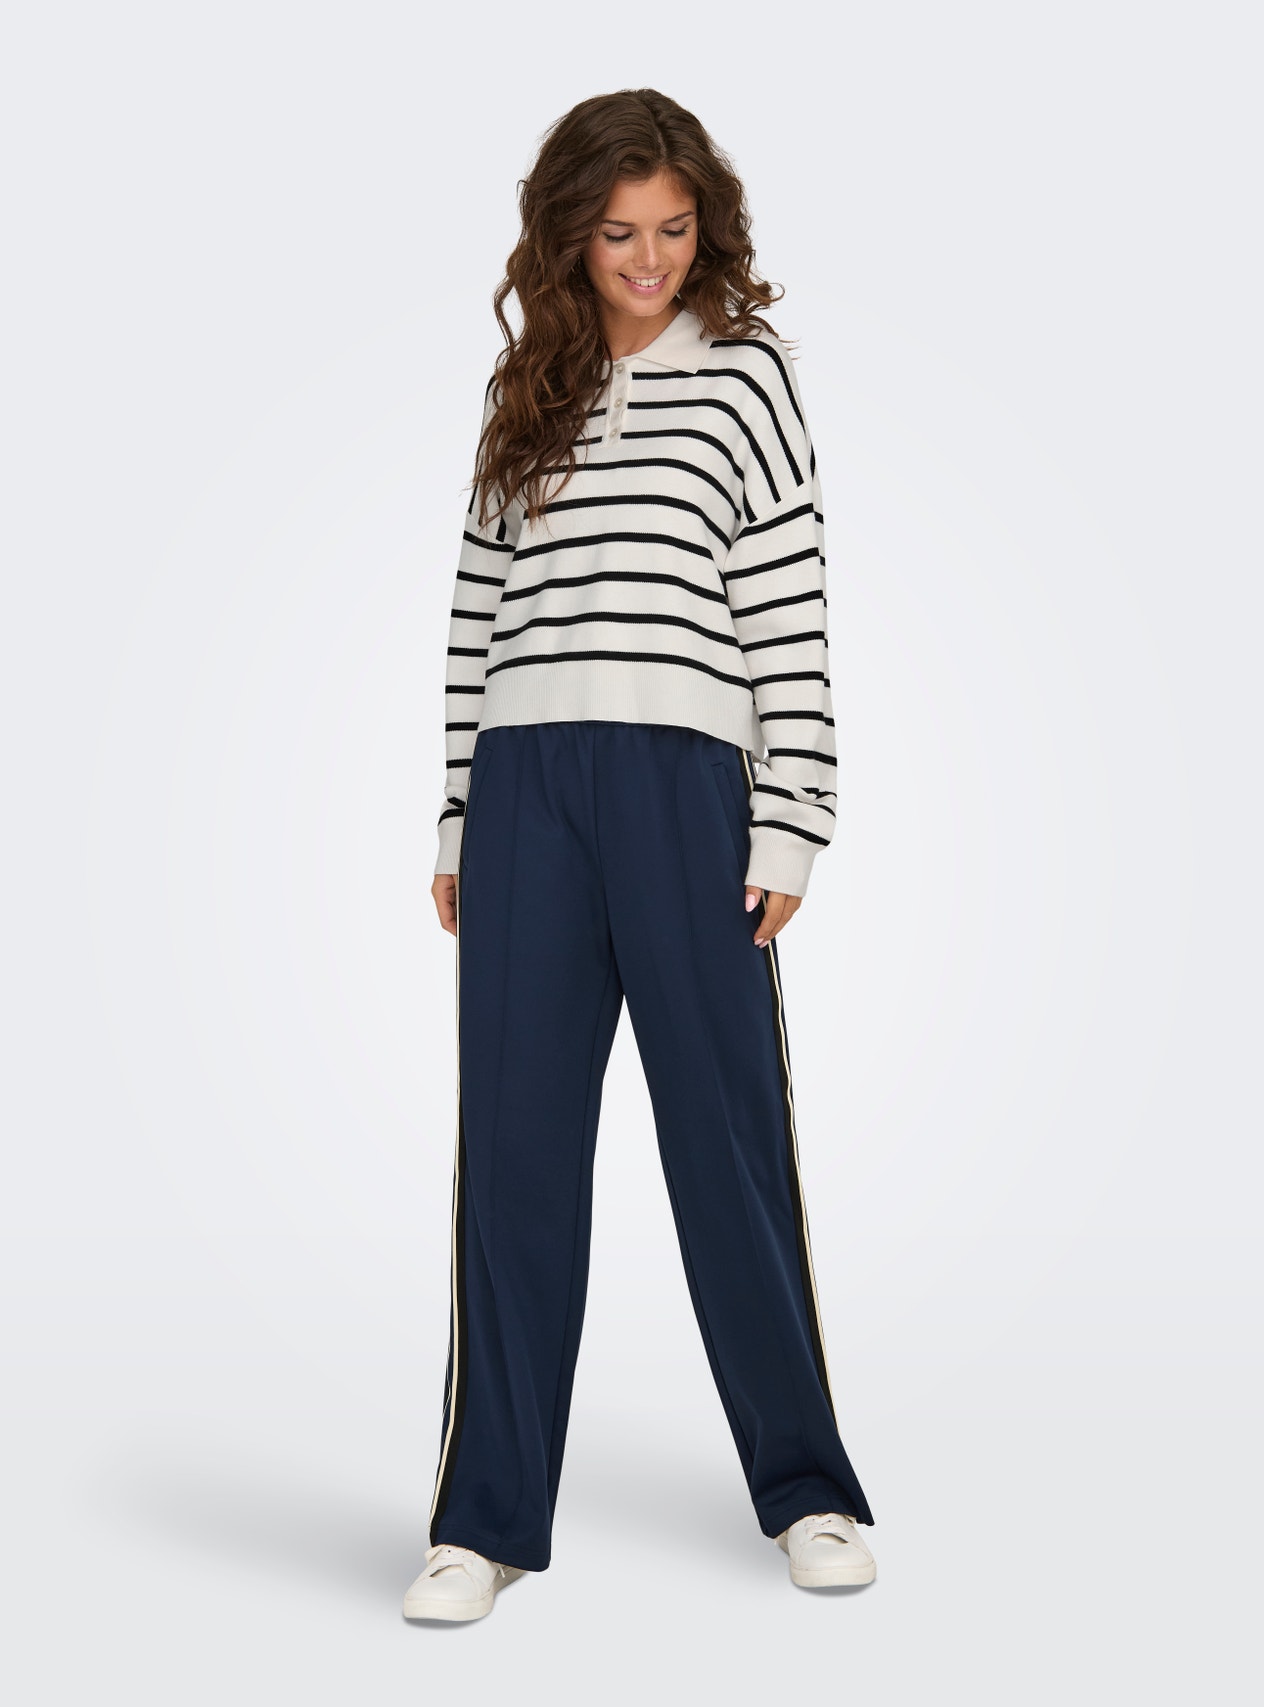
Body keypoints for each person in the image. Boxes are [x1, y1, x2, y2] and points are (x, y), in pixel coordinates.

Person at [403, 88, 877, 1623]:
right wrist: (459, 815)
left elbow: (788, 602)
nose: (649, 259)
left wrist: (793, 812)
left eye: (672, 230)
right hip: (525, 788)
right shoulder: (524, 389)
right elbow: (477, 616)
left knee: (726, 1148)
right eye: (618, 233)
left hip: (687, 789)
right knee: (514, 1159)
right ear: (569, 235)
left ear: (704, 230)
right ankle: (482, 1521)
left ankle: (808, 1489)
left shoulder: (745, 377)